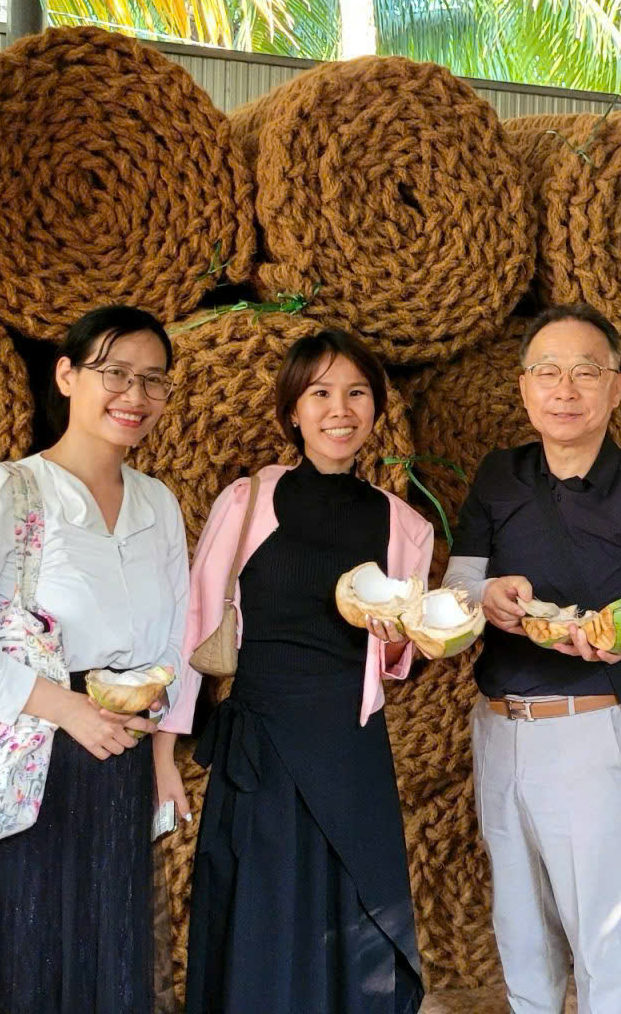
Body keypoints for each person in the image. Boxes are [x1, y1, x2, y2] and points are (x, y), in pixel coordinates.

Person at [0, 305, 188, 1014]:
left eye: (154, 381)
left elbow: (172, 649)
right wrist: (65, 708)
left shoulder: (160, 504)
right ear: (66, 375)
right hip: (16, 761)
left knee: (97, 960)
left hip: (116, 760)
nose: (135, 396)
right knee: (12, 958)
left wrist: (160, 763)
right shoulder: (4, 492)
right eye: (115, 373)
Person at [158, 329, 432, 1014]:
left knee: (356, 930)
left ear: (375, 408)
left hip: (351, 750)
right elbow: (192, 630)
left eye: (356, 393)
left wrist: (404, 638)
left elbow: (398, 663)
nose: (340, 410)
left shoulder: (404, 526)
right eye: (320, 393)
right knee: (263, 929)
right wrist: (164, 753)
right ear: (293, 410)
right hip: (264, 755)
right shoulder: (248, 500)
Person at [441, 305, 621, 1014]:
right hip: (497, 725)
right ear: (524, 388)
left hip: (591, 728)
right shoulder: (500, 475)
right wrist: (487, 594)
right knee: (519, 922)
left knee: (599, 923)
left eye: (586, 372)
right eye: (547, 372)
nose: (565, 389)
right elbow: (459, 584)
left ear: (616, 389)